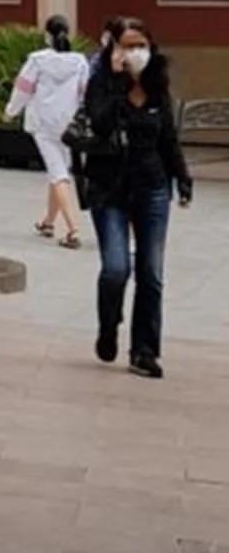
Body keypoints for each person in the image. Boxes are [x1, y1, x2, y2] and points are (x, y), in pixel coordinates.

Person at [78, 21, 192, 378]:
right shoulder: (101, 84)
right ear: (114, 51)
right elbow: (98, 123)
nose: (135, 52)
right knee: (115, 269)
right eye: (127, 46)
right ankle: (108, 325)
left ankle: (144, 350)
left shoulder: (158, 88)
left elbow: (168, 139)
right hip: (109, 187)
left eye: (141, 44)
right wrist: (114, 81)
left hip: (153, 187)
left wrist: (183, 177)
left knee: (151, 273)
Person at [7, 15, 91, 249]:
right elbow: (85, 93)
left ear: (48, 36)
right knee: (59, 168)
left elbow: (22, 89)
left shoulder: (37, 60)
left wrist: (11, 111)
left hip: (44, 122)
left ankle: (73, 229)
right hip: (69, 122)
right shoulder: (80, 62)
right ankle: (48, 221)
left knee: (58, 173)